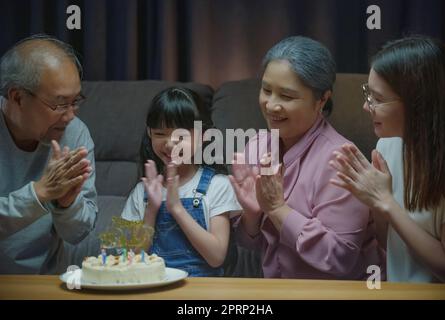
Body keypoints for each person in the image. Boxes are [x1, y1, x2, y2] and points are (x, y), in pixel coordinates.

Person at [229, 36, 384, 279]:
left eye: (287, 96)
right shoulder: (255, 146)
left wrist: (278, 209)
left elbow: (340, 257)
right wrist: (251, 216)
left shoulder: (341, 159)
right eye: (266, 90)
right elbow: (248, 246)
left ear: (321, 99)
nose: (271, 105)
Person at [329, 36, 445, 283]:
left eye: (378, 99)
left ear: (419, 104)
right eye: (368, 93)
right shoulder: (387, 145)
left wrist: (386, 202)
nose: (365, 106)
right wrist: (375, 204)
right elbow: (388, 244)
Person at [0, 34, 97, 274]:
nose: (70, 115)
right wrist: (39, 194)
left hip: (45, 282)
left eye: (76, 101)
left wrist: (67, 203)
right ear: (18, 97)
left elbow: (77, 234)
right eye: (60, 104)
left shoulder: (74, 133)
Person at [121, 87, 241, 277]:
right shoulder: (141, 192)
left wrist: (176, 208)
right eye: (160, 134)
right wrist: (151, 210)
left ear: (202, 136)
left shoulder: (218, 185)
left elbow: (216, 256)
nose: (169, 143)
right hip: (154, 287)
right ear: (150, 134)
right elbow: (131, 260)